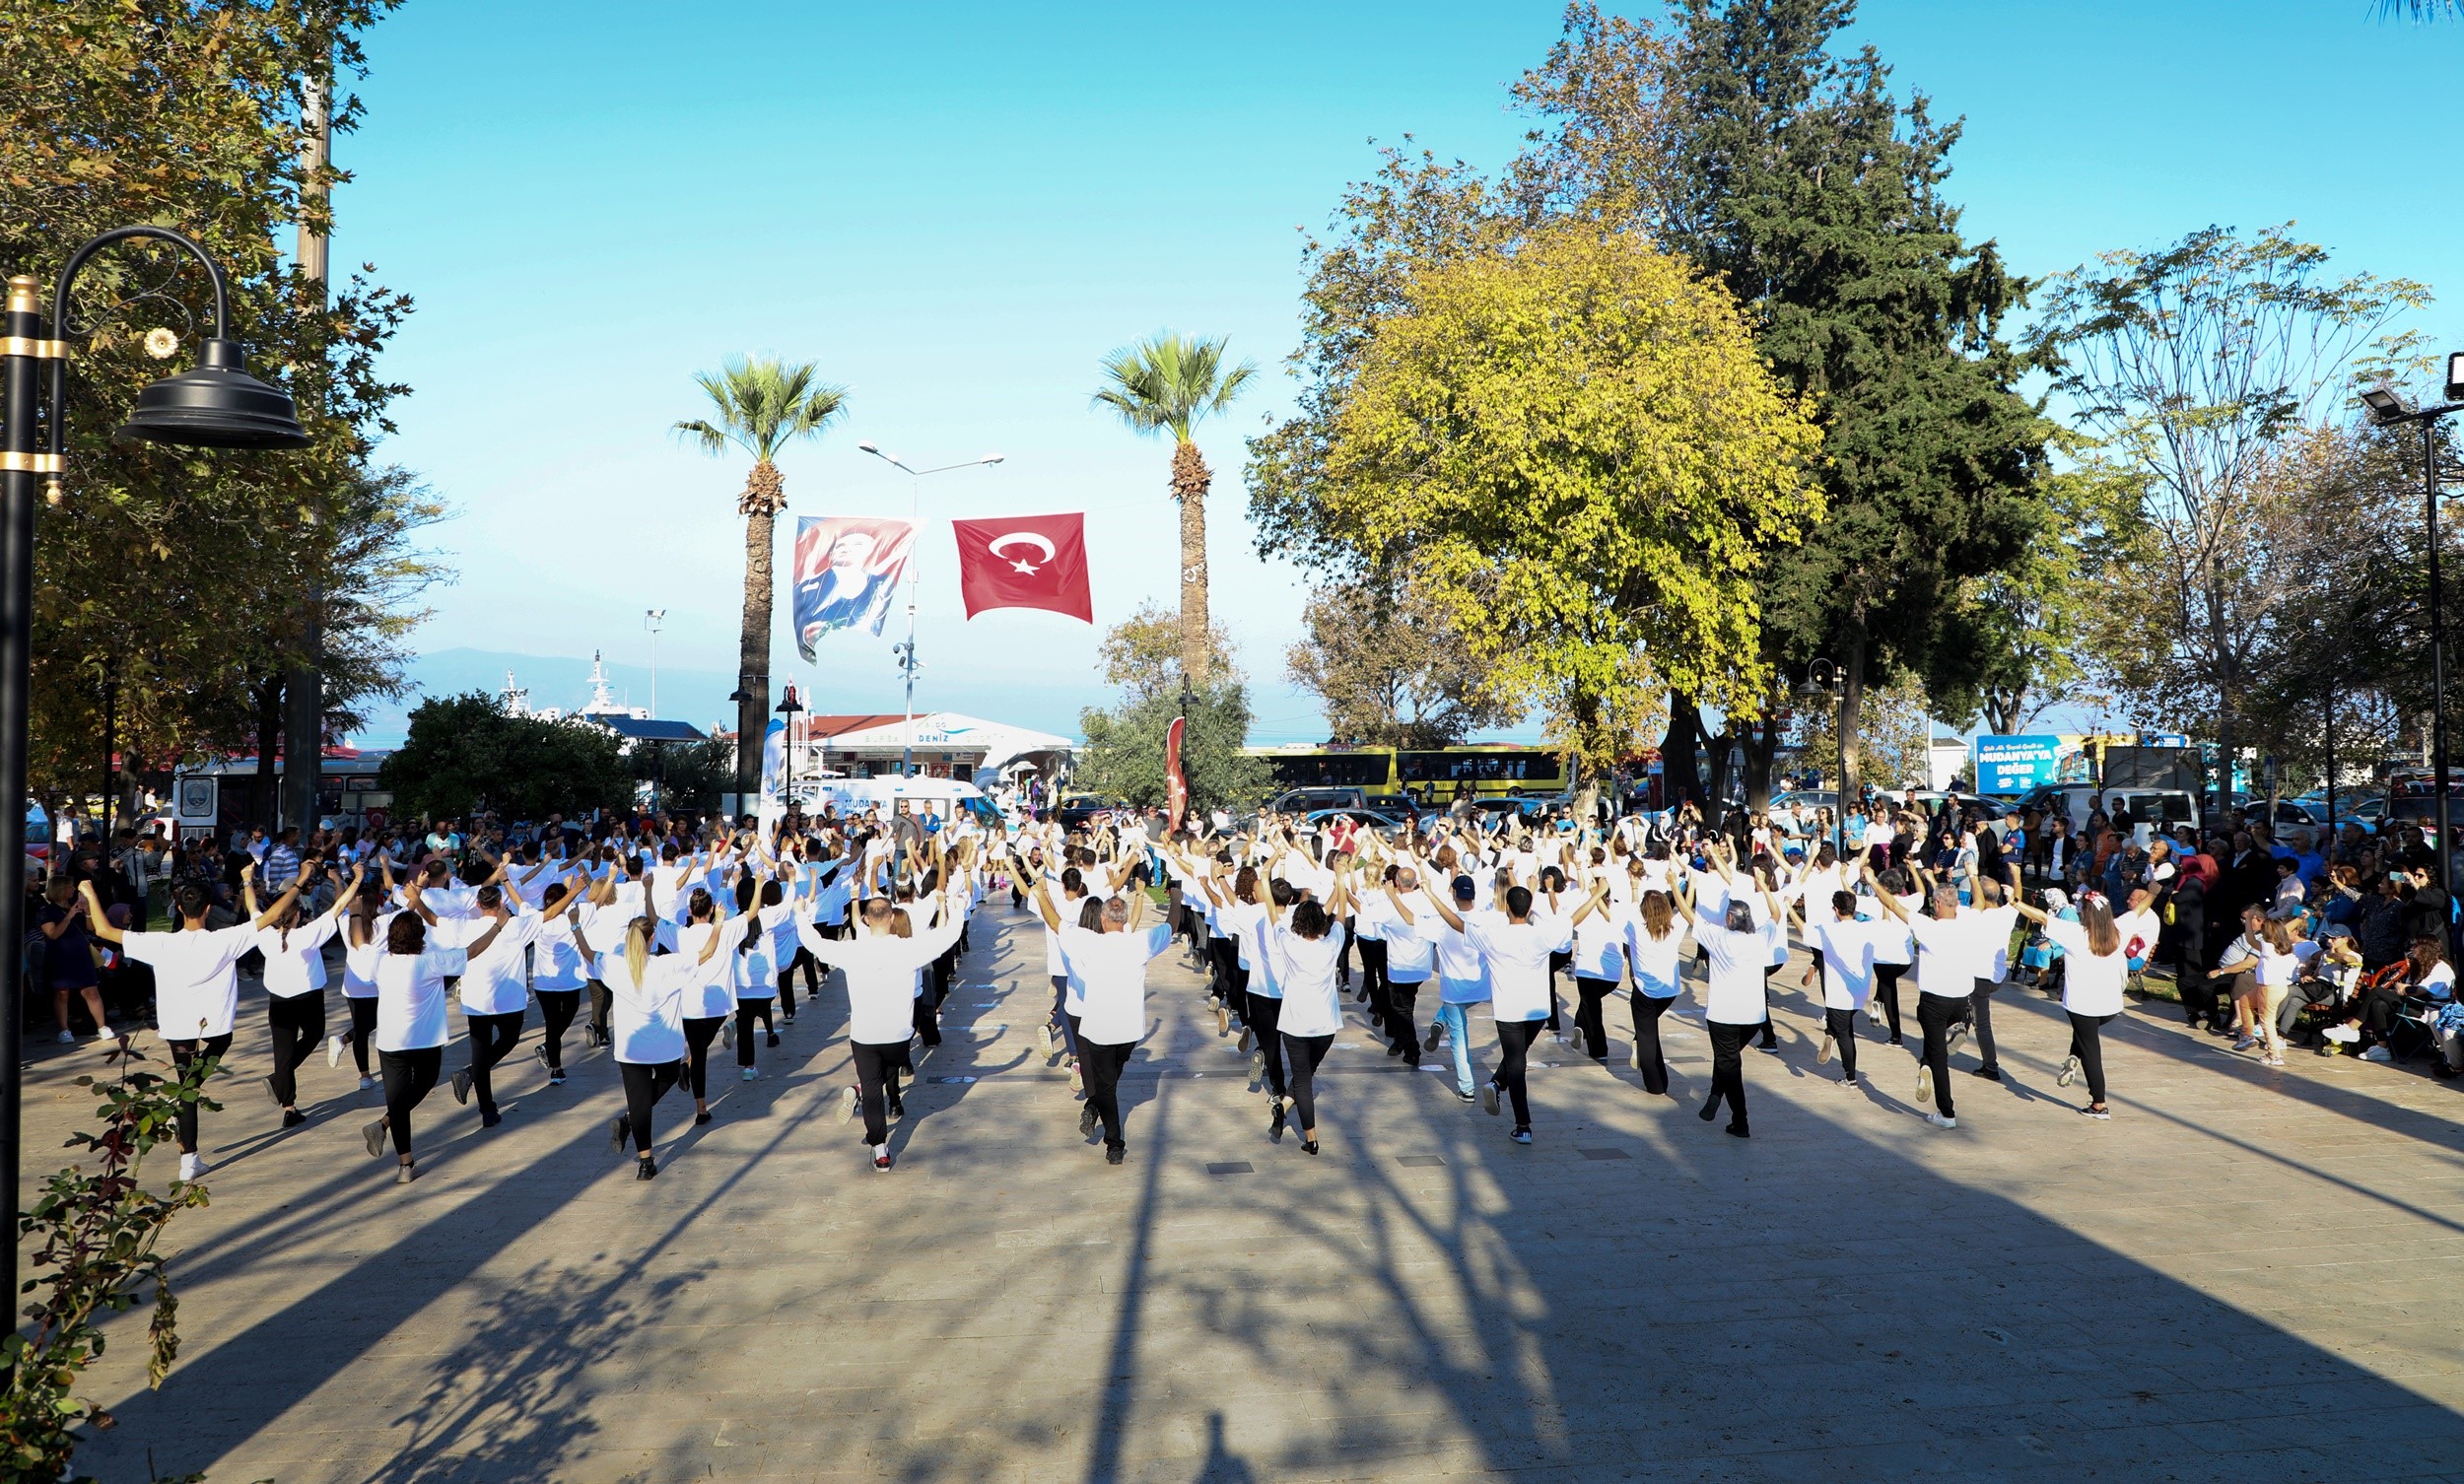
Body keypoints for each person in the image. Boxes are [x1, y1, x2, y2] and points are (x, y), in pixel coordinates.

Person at [80, 875, 300, 1182]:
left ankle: (189, 1160)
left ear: (180, 908)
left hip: (178, 1028)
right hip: (215, 1026)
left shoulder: (161, 942)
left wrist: (90, 893)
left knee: (188, 1088)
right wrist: (299, 882)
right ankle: (187, 1141)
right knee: (198, 1076)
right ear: (208, 909)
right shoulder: (224, 939)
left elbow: (103, 931)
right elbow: (273, 915)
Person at [800, 883, 967, 1171]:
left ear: (866, 919)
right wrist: (957, 907)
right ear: (891, 919)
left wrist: (800, 914)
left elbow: (813, 943)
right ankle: (862, 1090)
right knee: (887, 1072)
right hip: (898, 1036)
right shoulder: (909, 949)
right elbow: (948, 936)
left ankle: (880, 1150)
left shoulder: (851, 950)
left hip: (864, 1036)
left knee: (873, 1091)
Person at [1419, 865, 1587, 1146]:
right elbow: (1573, 920)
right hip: (1538, 1011)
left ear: (1507, 908)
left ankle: (1522, 1124)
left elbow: (1457, 924)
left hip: (1509, 1011)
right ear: (1529, 908)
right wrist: (1597, 895)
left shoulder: (1495, 936)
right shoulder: (1541, 934)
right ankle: (1497, 1086)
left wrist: (1431, 895)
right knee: (1517, 1058)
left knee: (1516, 1063)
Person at [362, 884, 503, 1182]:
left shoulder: (379, 961)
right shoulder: (431, 961)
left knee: (397, 1099)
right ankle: (384, 1123)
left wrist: (352, 913)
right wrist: (497, 927)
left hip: (390, 1042)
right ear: (420, 937)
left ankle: (405, 1164)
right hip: (425, 1041)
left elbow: (358, 941)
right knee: (422, 1084)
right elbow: (472, 951)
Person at [1033, 883, 1172, 1165]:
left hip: (1100, 1031)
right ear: (1123, 920)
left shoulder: (1088, 943)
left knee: (1106, 1087)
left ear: (1103, 919)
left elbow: (1056, 923)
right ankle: (1098, 1113)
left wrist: (1040, 894)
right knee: (1109, 1079)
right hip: (1130, 1032)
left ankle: (1114, 1143)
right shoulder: (1139, 942)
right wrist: (1176, 899)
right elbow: (1172, 925)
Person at [606, 911, 720, 1180]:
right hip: (664, 1048)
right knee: (668, 1077)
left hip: (630, 1050)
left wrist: (575, 925)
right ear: (652, 938)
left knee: (639, 1102)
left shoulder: (614, 965)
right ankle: (629, 1119)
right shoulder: (668, 964)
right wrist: (720, 922)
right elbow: (707, 953)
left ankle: (645, 1163)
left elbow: (589, 954)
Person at [248, 860, 362, 1127]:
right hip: (308, 998)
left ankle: (289, 1105)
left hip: (279, 1000)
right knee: (313, 1034)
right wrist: (356, 879)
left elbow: (252, 907)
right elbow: (339, 907)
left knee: (283, 1051)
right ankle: (279, 1081)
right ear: (297, 914)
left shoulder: (265, 934)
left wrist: (246, 881)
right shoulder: (308, 935)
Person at [1679, 842, 1781, 1137]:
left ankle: (1737, 1116)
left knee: (1729, 1064)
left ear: (1729, 919)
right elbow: (1775, 915)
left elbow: (1687, 915)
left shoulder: (1718, 938)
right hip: (1753, 1017)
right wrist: (1765, 887)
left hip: (1723, 1015)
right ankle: (1721, 1098)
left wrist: (1676, 885)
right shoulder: (1759, 937)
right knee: (1729, 1059)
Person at [2008, 871, 2127, 1117]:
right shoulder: (2119, 930)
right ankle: (2073, 1054)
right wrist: (2154, 892)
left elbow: (2041, 916)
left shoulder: (2075, 934)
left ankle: (2099, 1104)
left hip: (2082, 1006)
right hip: (2111, 1007)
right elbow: (2140, 910)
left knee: (2091, 1051)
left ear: (2086, 914)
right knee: (2086, 1035)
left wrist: (2015, 902)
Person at [1863, 859, 1970, 1130]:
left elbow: (1892, 904)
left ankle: (1946, 1112)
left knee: (1938, 1056)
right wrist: (1971, 875)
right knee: (1938, 1040)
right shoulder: (1968, 921)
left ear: (1937, 904)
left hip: (1934, 1002)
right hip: (1961, 1000)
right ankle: (1957, 1031)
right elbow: (1979, 902)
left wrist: (1873, 880)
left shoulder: (1929, 927)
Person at [1262, 860, 1353, 1153]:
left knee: (1303, 1080)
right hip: (1326, 1025)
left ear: (1297, 922)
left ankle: (1311, 1138)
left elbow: (1272, 912)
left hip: (1295, 1023)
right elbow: (1341, 914)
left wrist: (1265, 878)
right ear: (1322, 924)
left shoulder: (1289, 943)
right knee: (1306, 1074)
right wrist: (1341, 879)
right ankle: (1284, 1106)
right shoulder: (1331, 944)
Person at [450, 881, 545, 1128]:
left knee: (480, 1053)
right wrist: (575, 891)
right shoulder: (515, 925)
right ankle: (471, 1076)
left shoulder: (465, 927)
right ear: (501, 903)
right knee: (509, 1040)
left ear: (478, 905)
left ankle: (486, 1109)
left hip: (476, 1001)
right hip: (508, 1002)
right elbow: (549, 914)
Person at [1793, 887, 1876, 1088]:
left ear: (1836, 910)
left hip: (1838, 995)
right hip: (1860, 994)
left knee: (1845, 1035)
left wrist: (1788, 907)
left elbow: (1804, 930)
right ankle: (1830, 1032)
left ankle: (1850, 1077)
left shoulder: (1828, 930)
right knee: (1845, 1025)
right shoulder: (1869, 928)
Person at [34, 876, 109, 1046]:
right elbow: (53, 934)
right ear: (60, 889)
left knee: (91, 990)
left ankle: (102, 1026)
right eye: (69, 887)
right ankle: (64, 1030)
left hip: (81, 954)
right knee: (62, 993)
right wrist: (69, 916)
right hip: (60, 956)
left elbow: (90, 928)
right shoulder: (46, 911)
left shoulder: (74, 906)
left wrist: (87, 911)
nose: (73, 889)